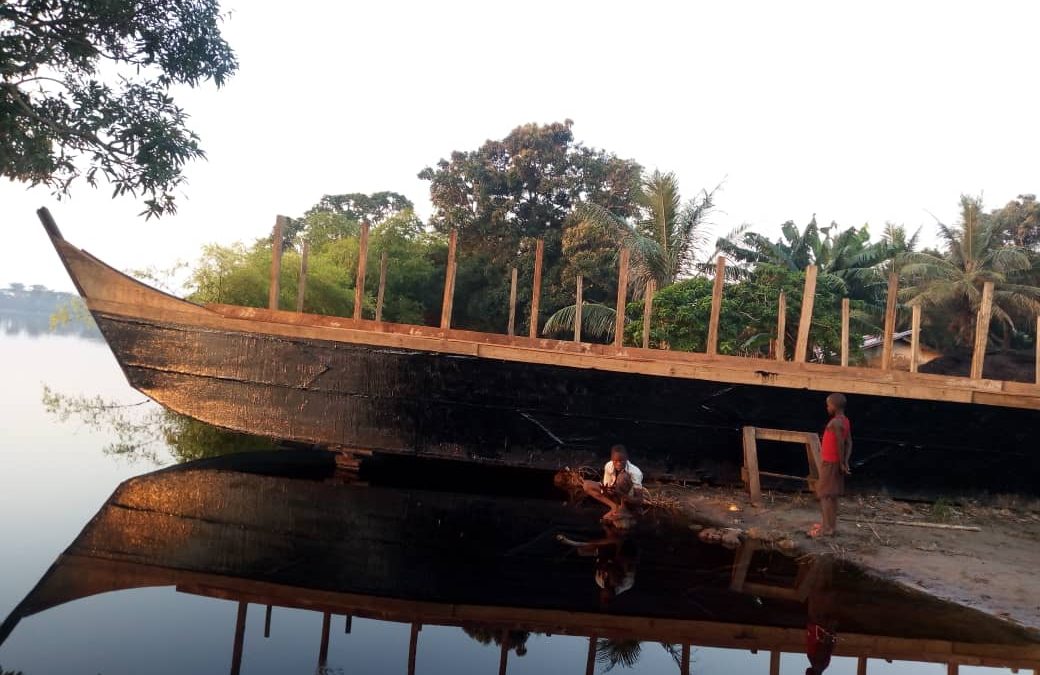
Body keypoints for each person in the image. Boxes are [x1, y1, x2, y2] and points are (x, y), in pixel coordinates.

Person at [811, 393, 852, 538]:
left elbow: (841, 444)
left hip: (831, 463)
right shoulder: (845, 421)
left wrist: (841, 462)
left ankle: (827, 529)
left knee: (825, 495)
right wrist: (845, 461)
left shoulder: (835, 423)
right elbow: (849, 442)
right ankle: (828, 525)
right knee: (831, 495)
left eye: (828, 405)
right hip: (834, 462)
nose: (827, 407)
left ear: (834, 406)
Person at [582, 445, 645, 522]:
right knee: (587, 485)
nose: (618, 464)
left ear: (626, 458)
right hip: (615, 495)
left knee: (623, 477)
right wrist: (606, 491)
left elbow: (639, 500)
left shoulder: (635, 472)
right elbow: (606, 487)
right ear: (611, 459)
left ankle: (624, 509)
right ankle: (614, 507)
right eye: (615, 461)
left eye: (621, 461)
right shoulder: (608, 466)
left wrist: (621, 494)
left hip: (627, 498)